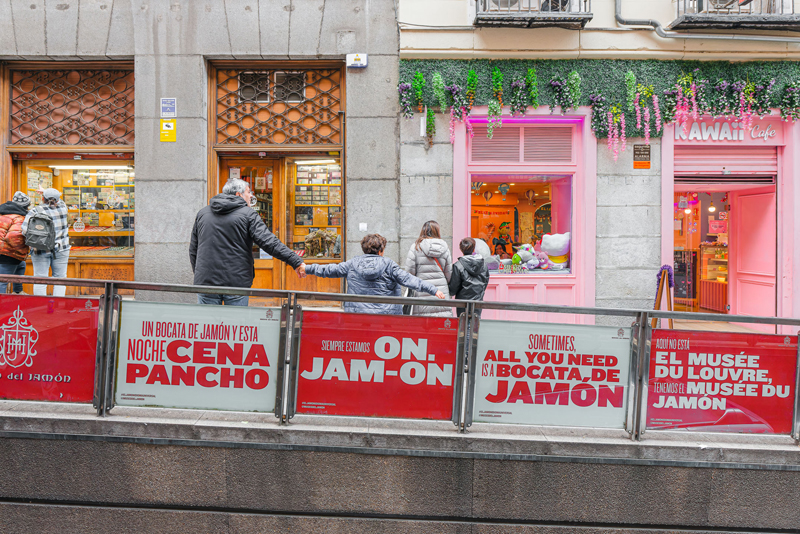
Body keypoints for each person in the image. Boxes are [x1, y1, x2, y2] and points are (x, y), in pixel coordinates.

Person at [190, 178, 306, 306]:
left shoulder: (203, 213)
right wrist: (295, 261)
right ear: (238, 195)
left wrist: (202, 274)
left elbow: (193, 249)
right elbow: (269, 242)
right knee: (236, 325)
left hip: (206, 283)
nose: (251, 195)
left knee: (208, 325)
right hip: (236, 283)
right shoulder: (248, 214)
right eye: (248, 192)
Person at [305, 233, 445, 315]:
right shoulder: (389, 265)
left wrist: (306, 268)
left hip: (358, 317)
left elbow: (328, 270)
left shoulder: (352, 264)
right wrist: (433, 289)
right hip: (386, 318)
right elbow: (410, 280)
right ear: (381, 251)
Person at [22, 188, 70, 297]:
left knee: (40, 278)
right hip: (61, 248)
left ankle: (40, 306)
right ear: (57, 199)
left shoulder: (35, 211)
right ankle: (57, 304)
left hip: (40, 248)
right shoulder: (63, 208)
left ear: (43, 198)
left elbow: (24, 230)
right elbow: (60, 201)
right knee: (60, 279)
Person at [403, 220, 453, 317]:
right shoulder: (444, 247)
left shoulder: (416, 247)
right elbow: (449, 273)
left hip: (421, 290)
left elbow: (409, 272)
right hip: (441, 290)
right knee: (441, 323)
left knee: (422, 324)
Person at [448, 237, 490, 317]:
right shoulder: (483, 265)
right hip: (478, 300)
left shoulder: (458, 265)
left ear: (461, 249)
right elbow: (485, 281)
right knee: (475, 324)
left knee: (462, 325)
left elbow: (453, 289)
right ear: (473, 249)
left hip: (462, 302)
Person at [0, 192, 31, 295]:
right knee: (2, 282)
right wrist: (23, 249)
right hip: (7, 253)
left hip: (3, 251)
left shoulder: (2, 212)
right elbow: (14, 238)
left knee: (21, 265)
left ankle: (18, 291)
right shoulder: (20, 218)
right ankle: (2, 307)